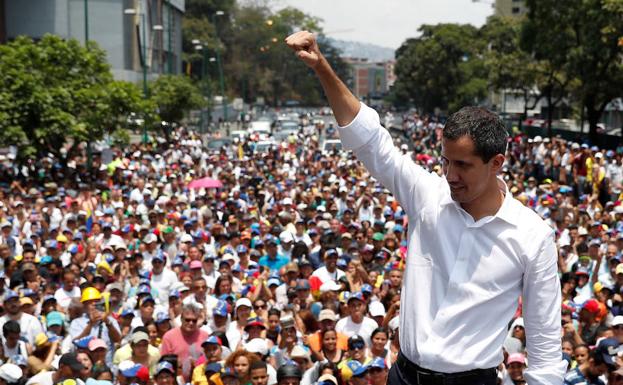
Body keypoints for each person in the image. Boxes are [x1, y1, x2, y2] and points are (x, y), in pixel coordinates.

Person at [285, 31, 565, 384]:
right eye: (446, 162)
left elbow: (544, 347)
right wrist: (321, 66)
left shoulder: (532, 236)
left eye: (463, 165)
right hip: (403, 376)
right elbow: (371, 141)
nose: (450, 175)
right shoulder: (427, 195)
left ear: (496, 163)